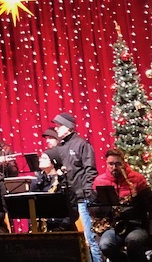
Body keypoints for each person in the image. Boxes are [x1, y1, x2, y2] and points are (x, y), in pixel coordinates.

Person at [89, 149, 152, 262]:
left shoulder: (137, 179)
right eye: (111, 164)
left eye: (118, 164)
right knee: (105, 245)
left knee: (133, 242)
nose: (114, 167)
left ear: (124, 163)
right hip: (113, 227)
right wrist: (106, 210)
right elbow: (92, 207)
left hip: (136, 226)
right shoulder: (100, 181)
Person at [51, 111, 100, 262]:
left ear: (69, 127)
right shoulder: (60, 147)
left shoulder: (81, 144)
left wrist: (86, 194)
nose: (56, 129)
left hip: (81, 199)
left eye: (59, 126)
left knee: (89, 238)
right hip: (67, 200)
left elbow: (90, 170)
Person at [28, 150, 73, 230]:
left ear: (53, 162)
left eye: (44, 158)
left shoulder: (63, 181)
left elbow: (72, 208)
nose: (40, 160)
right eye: (41, 157)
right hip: (42, 227)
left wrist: (62, 227)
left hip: (61, 227)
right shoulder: (37, 181)